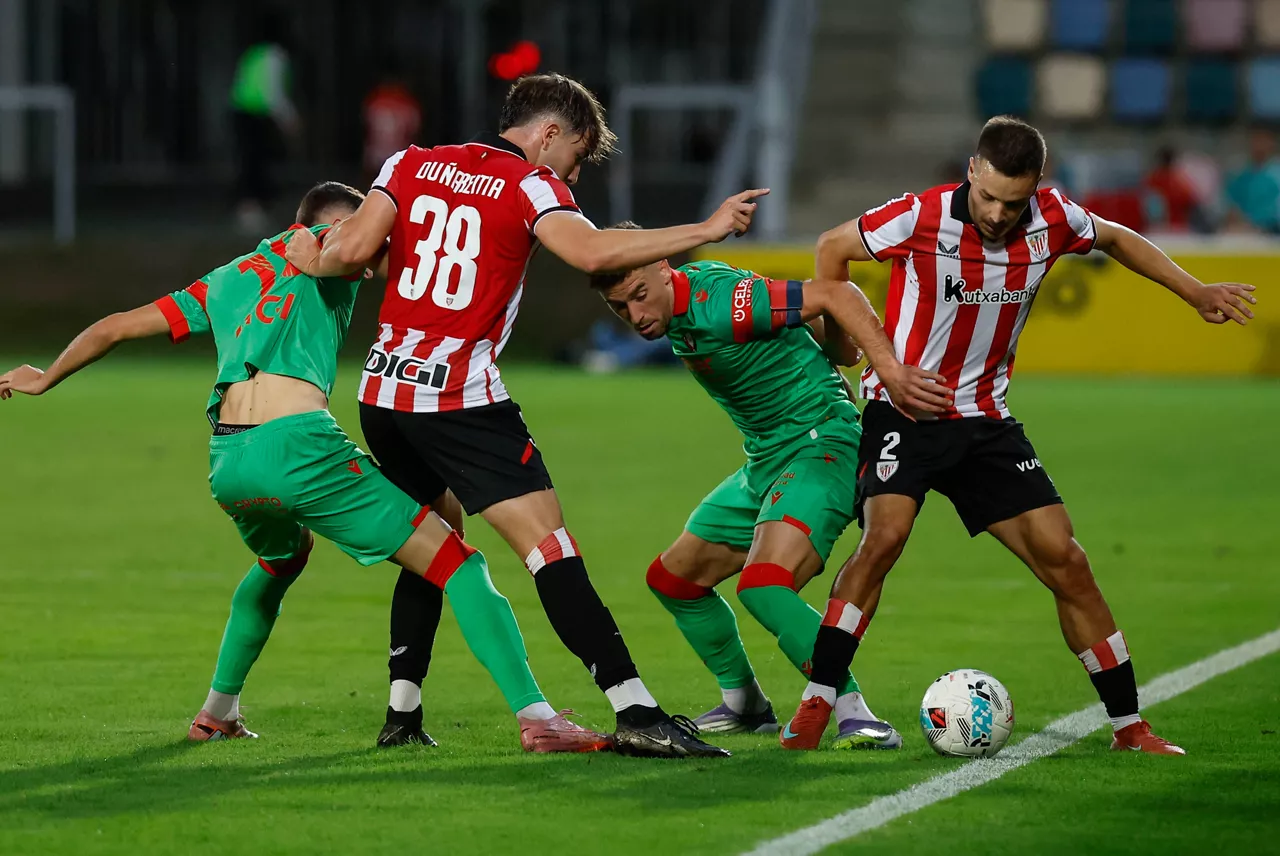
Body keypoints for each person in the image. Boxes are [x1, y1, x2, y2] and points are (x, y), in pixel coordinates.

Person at [0, 182, 610, 755]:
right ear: (337, 225)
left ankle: (216, 712)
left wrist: (46, 376)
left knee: (282, 558)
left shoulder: (228, 276)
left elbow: (115, 327)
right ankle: (538, 718)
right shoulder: (332, 248)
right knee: (458, 561)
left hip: (229, 460)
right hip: (299, 448)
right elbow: (402, 266)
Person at [285, 72, 768, 758]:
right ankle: (636, 711)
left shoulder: (409, 163)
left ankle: (402, 713)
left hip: (383, 395)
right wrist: (707, 228)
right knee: (550, 549)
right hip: (456, 397)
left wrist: (312, 254)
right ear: (549, 133)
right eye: (576, 156)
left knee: (433, 545)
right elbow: (591, 251)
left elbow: (354, 252)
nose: (574, 173)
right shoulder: (531, 184)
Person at [779, 116, 1257, 754]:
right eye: (989, 197)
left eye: (1014, 202)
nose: (999, 214)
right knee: (883, 537)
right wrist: (861, 353)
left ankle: (1129, 727)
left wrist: (1194, 291)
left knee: (1069, 561)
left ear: (1035, 186)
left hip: (985, 422)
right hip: (904, 414)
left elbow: (1116, 238)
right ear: (972, 172)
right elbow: (831, 247)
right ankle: (818, 702)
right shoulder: (920, 215)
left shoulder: (1053, 217)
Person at [587, 223, 950, 748]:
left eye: (640, 295)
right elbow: (809, 316)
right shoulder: (685, 302)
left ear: (663, 267)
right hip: (767, 460)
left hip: (820, 444)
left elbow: (835, 292)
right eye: (620, 307)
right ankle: (744, 703)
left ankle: (855, 713)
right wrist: (839, 345)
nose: (636, 315)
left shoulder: (721, 304)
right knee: (675, 579)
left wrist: (887, 369)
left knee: (763, 584)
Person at [229, 15, 301, 234]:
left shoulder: (253, 53)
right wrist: (289, 119)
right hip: (256, 114)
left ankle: (251, 209)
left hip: (241, 111)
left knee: (250, 161)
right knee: (255, 162)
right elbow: (274, 93)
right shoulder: (275, 56)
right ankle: (250, 211)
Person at [363, 65, 423, 186]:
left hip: (376, 155)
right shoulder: (407, 102)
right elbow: (414, 129)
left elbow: (367, 124)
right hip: (400, 155)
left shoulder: (374, 99)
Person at [1224, 129, 1280, 234]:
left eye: (1263, 141)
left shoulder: (1276, 175)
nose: (1259, 145)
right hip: (1245, 228)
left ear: (1271, 144)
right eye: (1256, 140)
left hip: (1271, 229)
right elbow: (1231, 205)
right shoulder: (1240, 176)